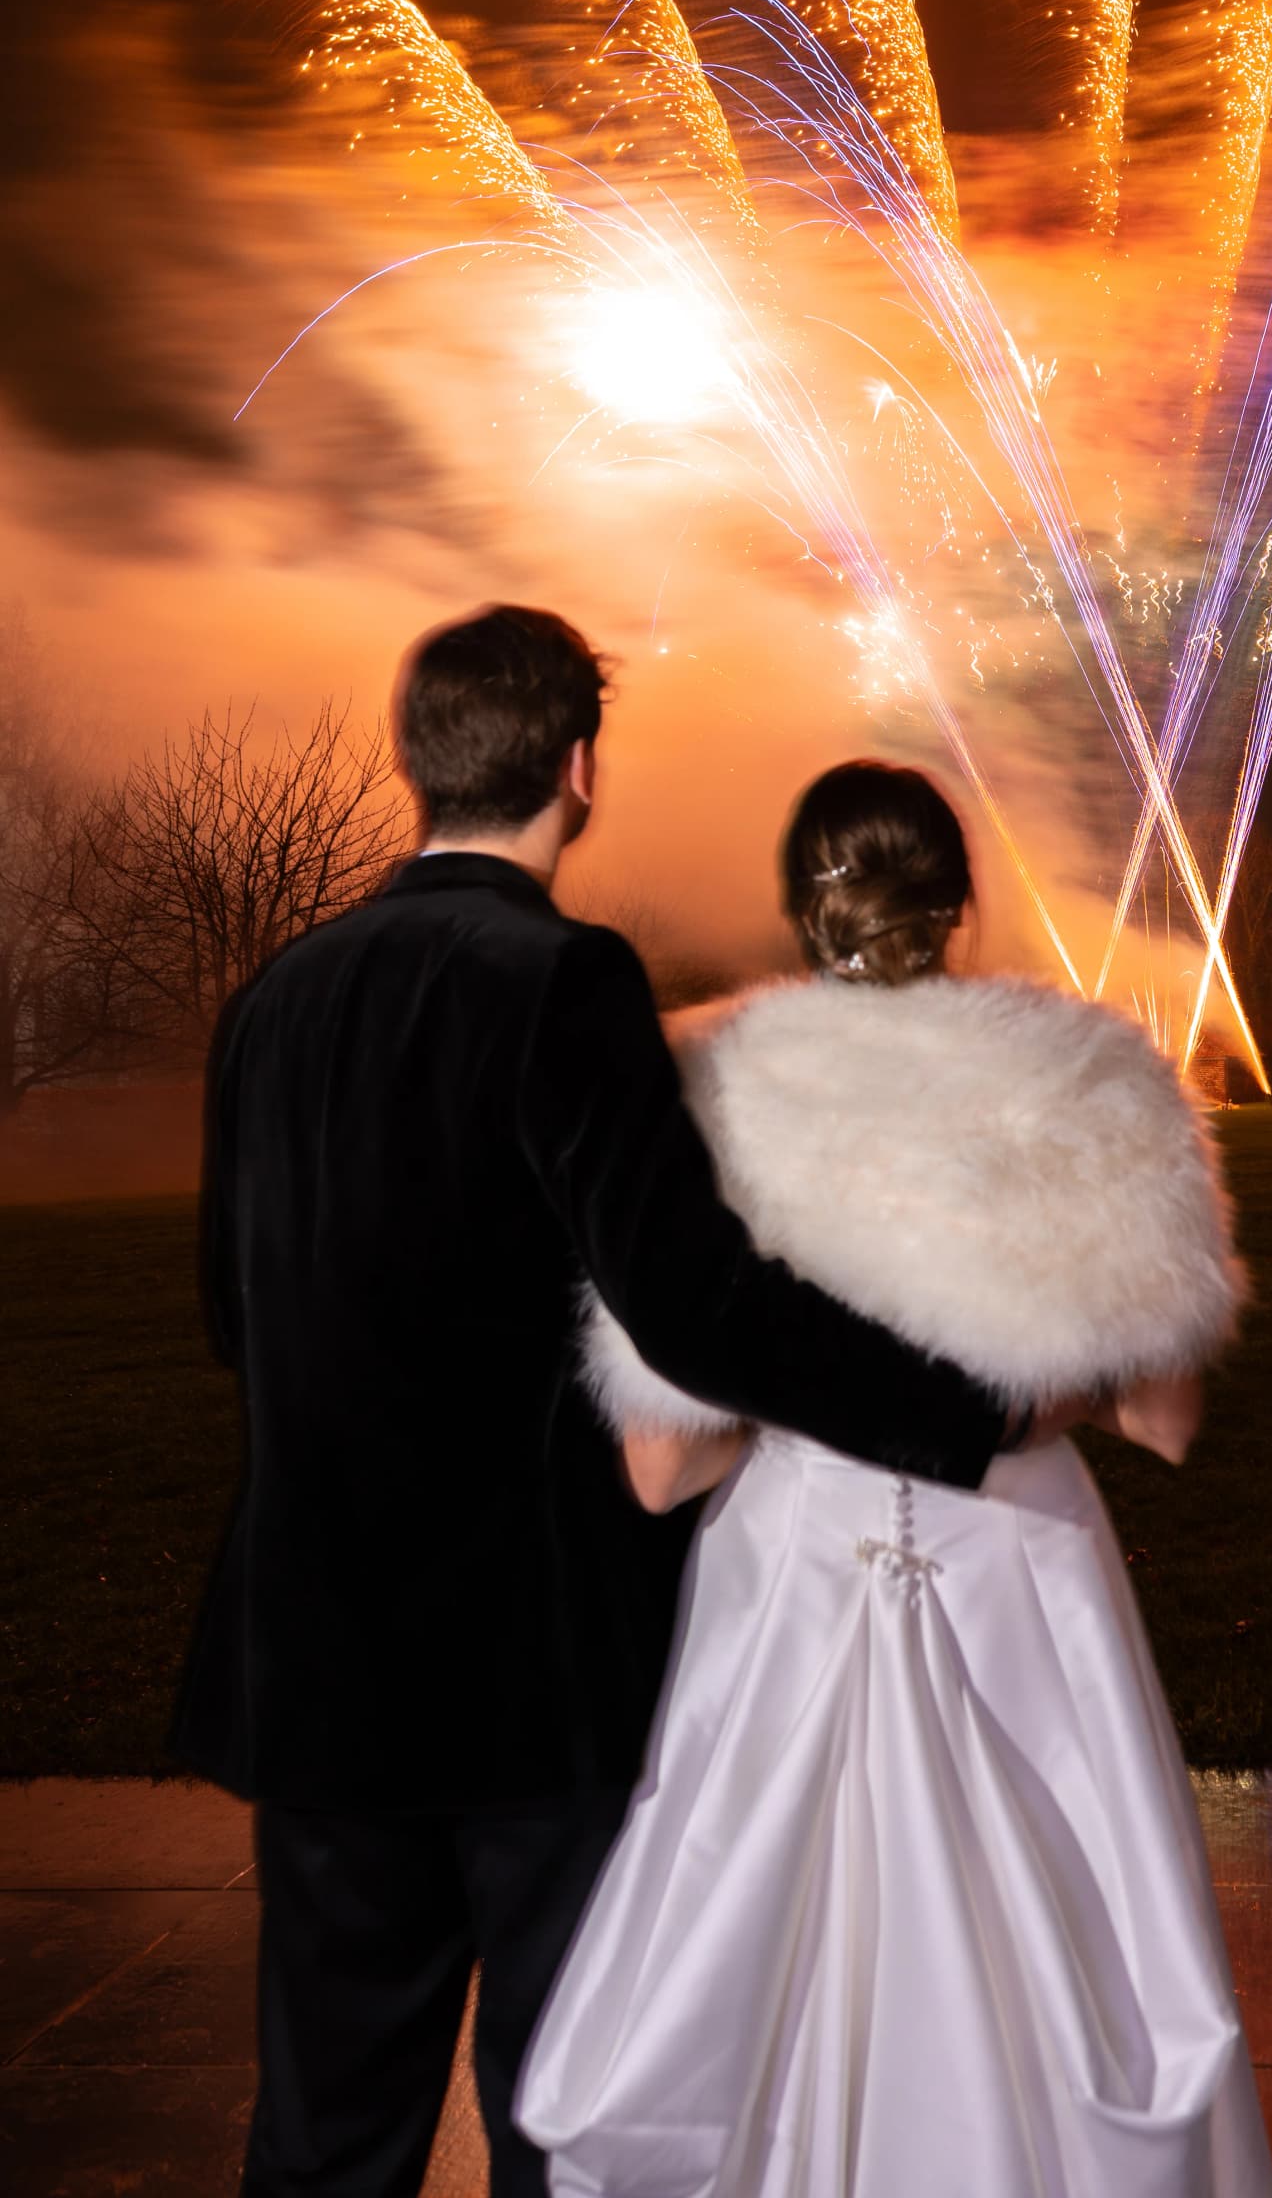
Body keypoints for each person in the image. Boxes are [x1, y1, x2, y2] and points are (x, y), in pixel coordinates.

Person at [178, 611, 1040, 2198]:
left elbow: (234, 1318)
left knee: (320, 2134)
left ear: (411, 762)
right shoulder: (564, 982)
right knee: (561, 2116)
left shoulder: (273, 999)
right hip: (529, 1666)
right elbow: (699, 1309)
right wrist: (961, 1410)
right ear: (577, 769)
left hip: (311, 1659)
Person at [519, 759, 1272, 2198]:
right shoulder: (1100, 1074)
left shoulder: (715, 1093)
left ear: (805, 913)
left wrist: (812, 1402)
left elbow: (664, 1469)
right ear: (960, 909)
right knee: (1087, 1953)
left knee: (761, 1956)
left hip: (799, 1576)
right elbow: (1167, 1420)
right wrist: (1003, 1387)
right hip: (1026, 1574)